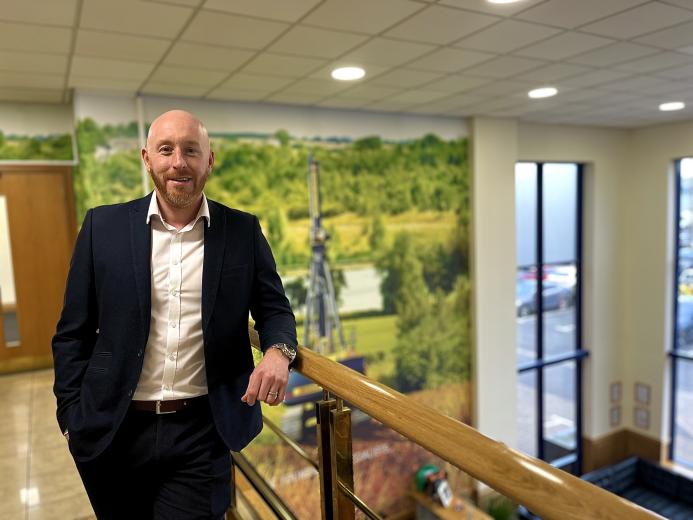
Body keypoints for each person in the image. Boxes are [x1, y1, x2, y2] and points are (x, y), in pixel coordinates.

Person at [52, 109, 297, 519]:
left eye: (191, 151)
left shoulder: (242, 232)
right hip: (114, 428)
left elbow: (275, 309)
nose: (178, 162)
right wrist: (70, 415)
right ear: (147, 158)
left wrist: (278, 351)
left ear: (209, 161)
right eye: (166, 150)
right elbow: (71, 334)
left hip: (201, 432)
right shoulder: (102, 227)